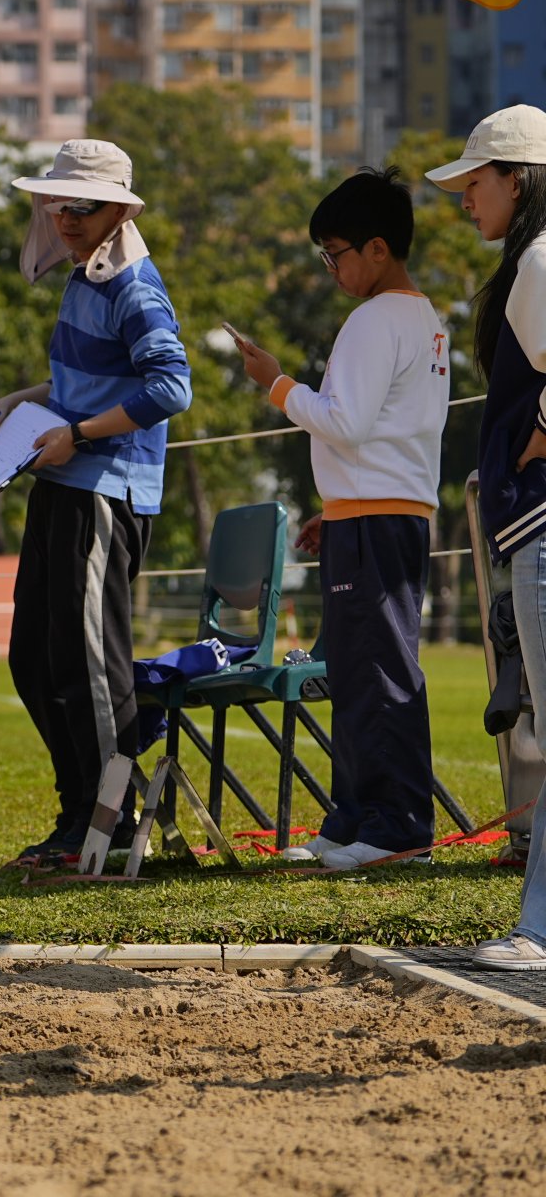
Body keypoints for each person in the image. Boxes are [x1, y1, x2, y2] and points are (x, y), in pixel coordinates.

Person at [0, 141, 193, 865]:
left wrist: (78, 435)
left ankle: (110, 828)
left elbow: (170, 390)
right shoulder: (82, 279)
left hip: (103, 492)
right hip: (60, 483)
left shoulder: (134, 288)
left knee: (91, 666)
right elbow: (76, 387)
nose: (63, 218)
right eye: (55, 203)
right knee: (34, 658)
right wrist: (13, 405)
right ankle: (77, 817)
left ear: (119, 210)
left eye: (80, 206)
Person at [232, 167, 449, 870]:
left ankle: (397, 826)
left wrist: (276, 383)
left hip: (375, 519)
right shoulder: (424, 318)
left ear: (377, 249)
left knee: (378, 672)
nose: (332, 269)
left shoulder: (374, 319)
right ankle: (356, 815)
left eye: (336, 254)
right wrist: (340, 510)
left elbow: (346, 423)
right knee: (357, 671)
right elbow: (384, 431)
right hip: (383, 512)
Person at [415, 106, 546, 969]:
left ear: (520, 179)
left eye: (476, 180)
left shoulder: (539, 260)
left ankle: (539, 931)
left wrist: (542, 427)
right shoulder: (530, 261)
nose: (465, 197)